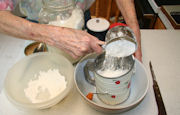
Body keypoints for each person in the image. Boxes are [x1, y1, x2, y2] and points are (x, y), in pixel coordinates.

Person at [0, 0, 142, 62]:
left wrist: (133, 25)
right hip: (35, 27)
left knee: (78, 61)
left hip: (79, 14)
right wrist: (52, 35)